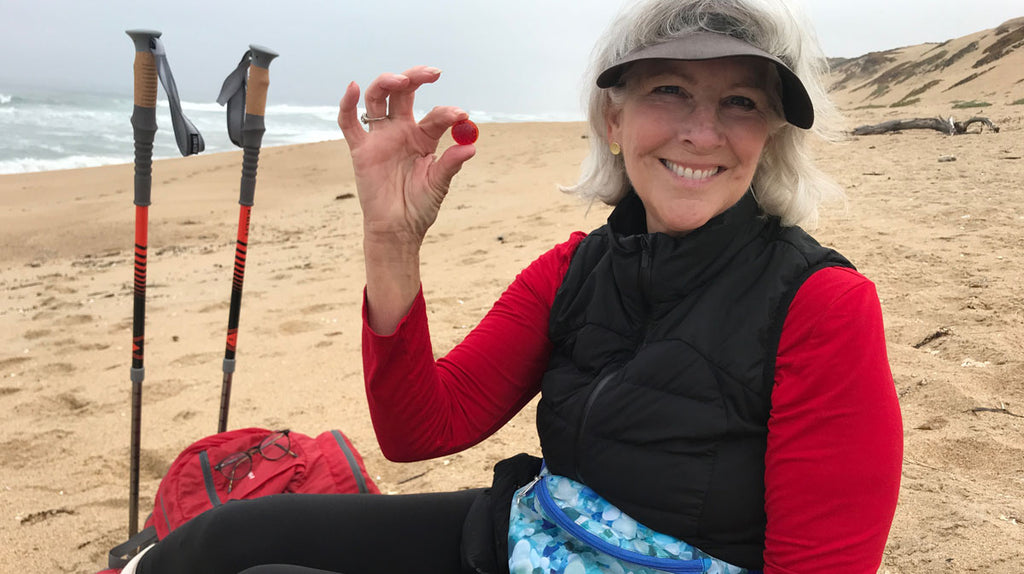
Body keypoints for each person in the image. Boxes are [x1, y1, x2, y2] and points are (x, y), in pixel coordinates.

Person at [125, 0, 902, 572]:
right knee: (221, 543)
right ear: (614, 119)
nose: (703, 132)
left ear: (768, 137)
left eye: (741, 102)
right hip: (534, 537)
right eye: (669, 90)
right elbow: (421, 430)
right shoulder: (574, 271)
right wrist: (392, 238)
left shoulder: (823, 305)